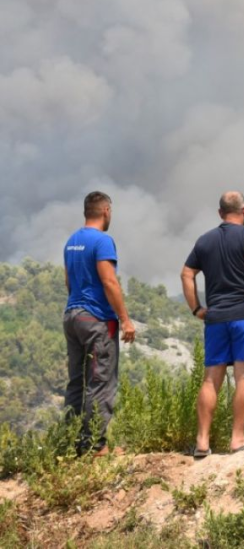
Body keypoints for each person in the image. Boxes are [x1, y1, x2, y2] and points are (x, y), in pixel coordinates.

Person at [181, 191, 244, 457]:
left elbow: (186, 273)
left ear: (219, 212)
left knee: (211, 379)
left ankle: (202, 442)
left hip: (216, 319)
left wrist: (197, 308)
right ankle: (238, 439)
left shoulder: (205, 241)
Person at [62, 191, 136, 455]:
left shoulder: (71, 241)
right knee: (100, 380)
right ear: (105, 211)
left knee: (76, 381)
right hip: (96, 319)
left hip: (72, 316)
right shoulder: (103, 241)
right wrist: (125, 319)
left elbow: (69, 283)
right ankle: (95, 445)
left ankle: (70, 442)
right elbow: (109, 281)